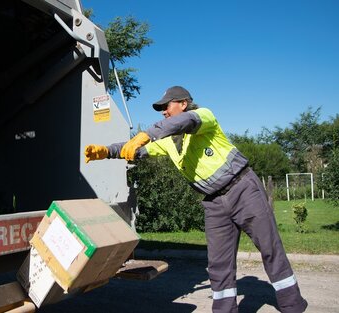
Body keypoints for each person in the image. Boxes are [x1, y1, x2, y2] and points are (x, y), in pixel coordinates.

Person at [84, 86, 308, 313]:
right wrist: (106, 151)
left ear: (183, 103)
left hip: (243, 189)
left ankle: (292, 305)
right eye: (160, 108)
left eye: (166, 106)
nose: (163, 111)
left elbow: (181, 123)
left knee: (270, 248)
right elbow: (135, 150)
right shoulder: (169, 142)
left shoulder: (204, 117)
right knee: (218, 264)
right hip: (214, 203)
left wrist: (147, 134)